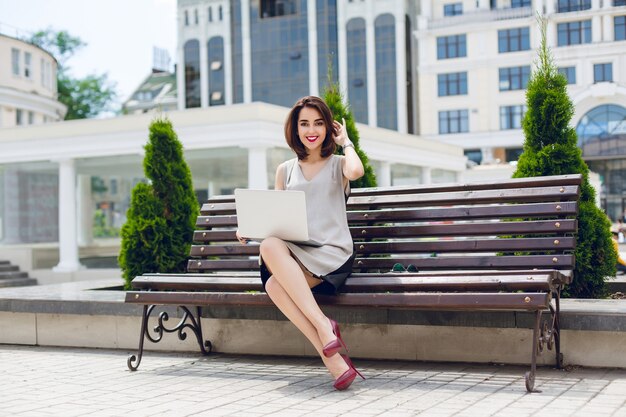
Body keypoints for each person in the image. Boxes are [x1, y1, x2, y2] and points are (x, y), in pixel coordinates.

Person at [236, 96, 365, 390]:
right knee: (270, 264)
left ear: (328, 129)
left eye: (319, 123)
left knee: (272, 275)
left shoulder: (340, 165)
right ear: (295, 129)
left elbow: (357, 172)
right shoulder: (285, 170)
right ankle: (331, 351)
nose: (311, 130)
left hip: (333, 253)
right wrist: (251, 228)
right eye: (304, 123)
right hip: (300, 252)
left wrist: (347, 142)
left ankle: (325, 334)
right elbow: (278, 221)